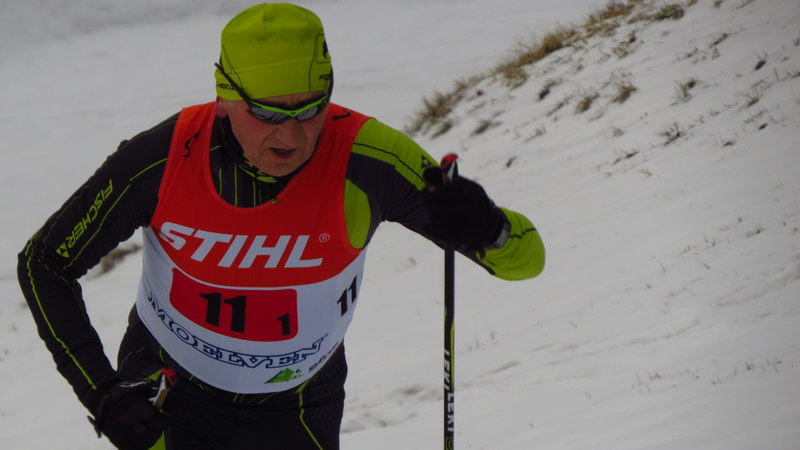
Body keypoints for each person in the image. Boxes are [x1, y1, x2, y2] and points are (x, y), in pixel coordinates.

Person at [17, 3, 545, 449]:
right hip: (167, 389)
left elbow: (527, 262)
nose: (291, 138)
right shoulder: (161, 160)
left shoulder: (371, 160)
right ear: (225, 97)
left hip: (298, 405)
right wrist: (101, 391)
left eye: (311, 109)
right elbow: (44, 263)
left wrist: (489, 228)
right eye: (268, 114)